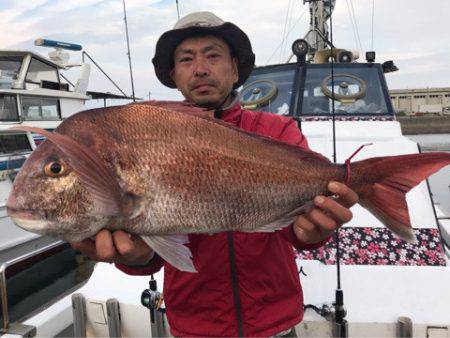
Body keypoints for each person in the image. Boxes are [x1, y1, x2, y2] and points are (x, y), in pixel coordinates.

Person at [71, 11, 358, 337]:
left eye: (213, 55)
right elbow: (153, 249)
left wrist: (311, 234)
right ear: (174, 75)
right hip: (194, 326)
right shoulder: (148, 137)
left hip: (274, 325)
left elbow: (297, 228)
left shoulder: (278, 131)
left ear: (234, 69)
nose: (201, 68)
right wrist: (138, 257)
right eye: (187, 59)